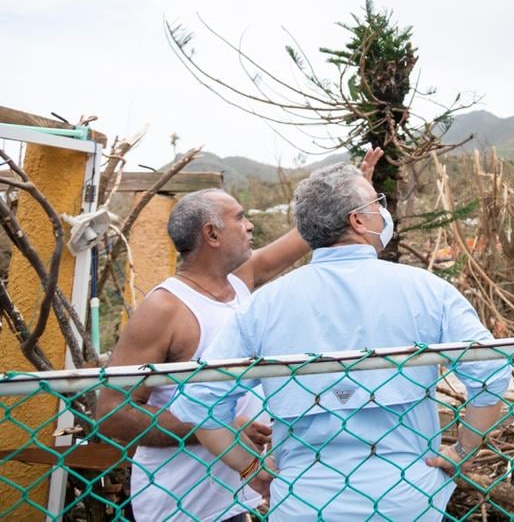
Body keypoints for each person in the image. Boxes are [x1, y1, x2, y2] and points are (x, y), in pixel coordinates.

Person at [170, 163, 511, 521]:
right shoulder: (427, 290)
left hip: (304, 502)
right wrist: (464, 449)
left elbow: (198, 400)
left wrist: (250, 468)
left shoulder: (264, 306)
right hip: (407, 499)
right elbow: (489, 370)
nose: (383, 210)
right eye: (376, 202)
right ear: (358, 221)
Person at [96, 149, 381, 522]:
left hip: (235, 499)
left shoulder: (239, 281)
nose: (249, 226)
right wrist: (214, 426)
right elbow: (112, 412)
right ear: (212, 234)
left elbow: (312, 233)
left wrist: (354, 200)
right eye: (240, 218)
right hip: (178, 508)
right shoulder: (166, 308)